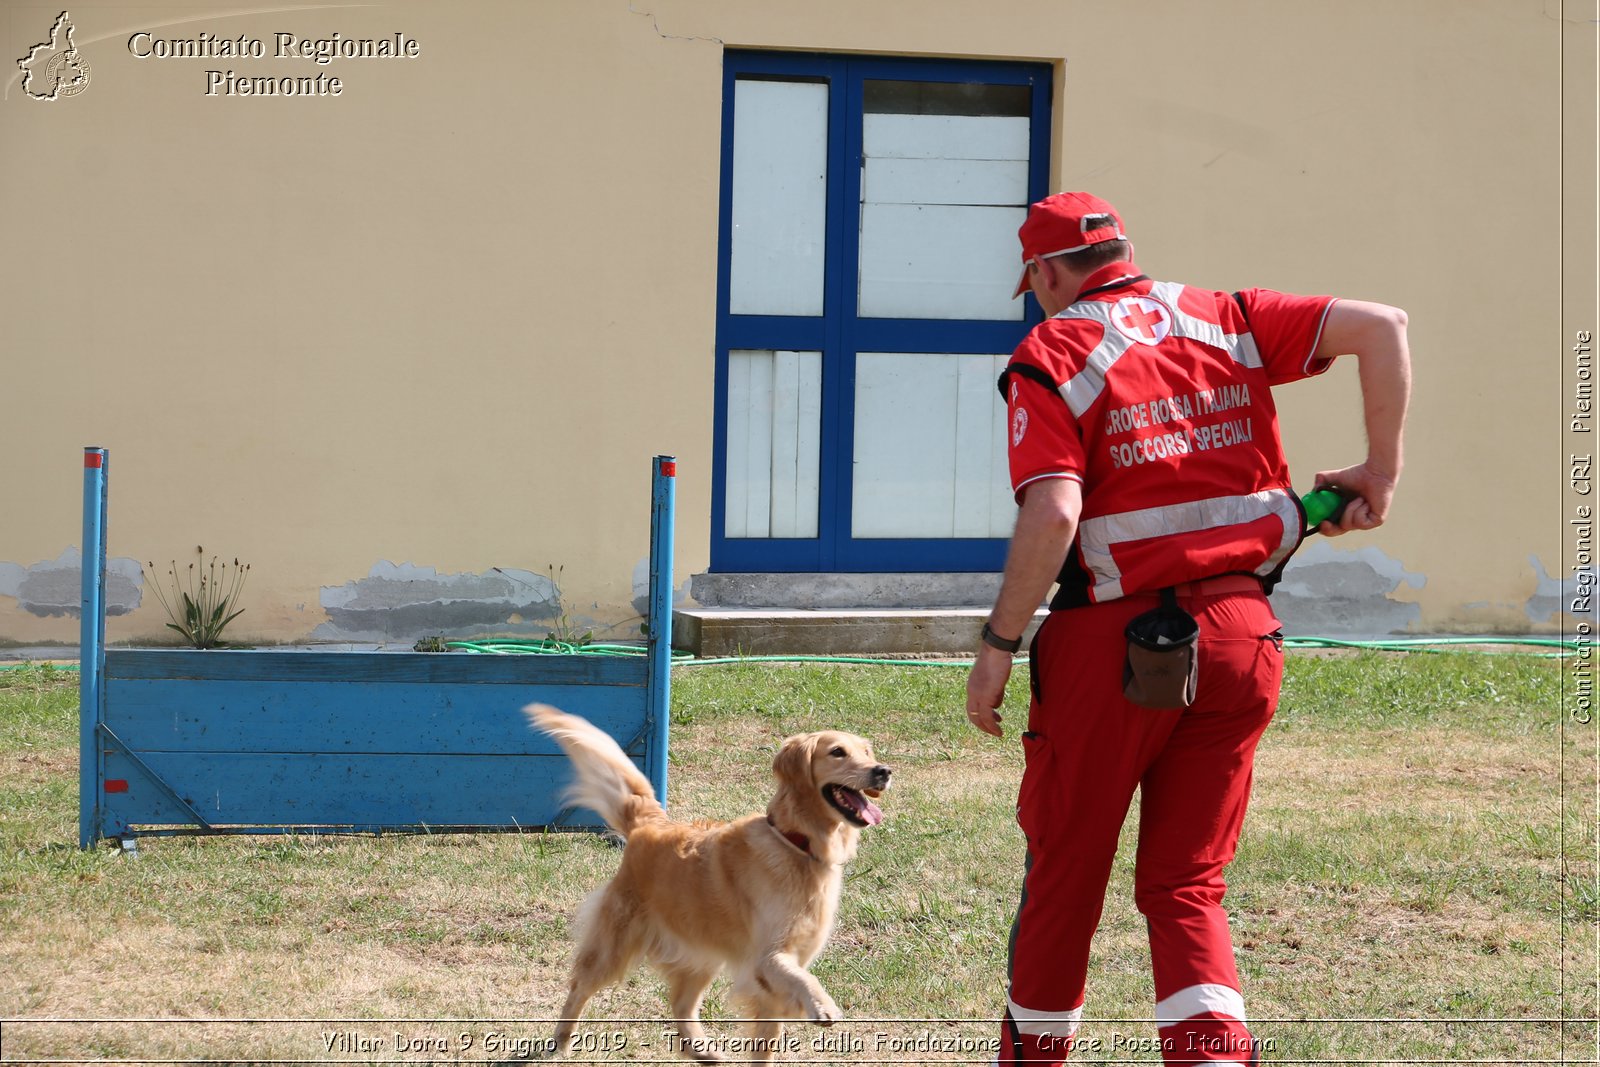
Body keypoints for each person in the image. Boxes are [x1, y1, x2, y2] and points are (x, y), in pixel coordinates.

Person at [964, 191, 1411, 1066]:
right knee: (1186, 884)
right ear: (1123, 251)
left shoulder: (1052, 351)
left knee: (1067, 873)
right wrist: (1380, 474)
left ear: (1047, 273)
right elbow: (1383, 324)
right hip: (1243, 636)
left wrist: (997, 645)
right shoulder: (1225, 317)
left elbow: (1055, 510)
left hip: (1110, 647)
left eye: (1036, 284)